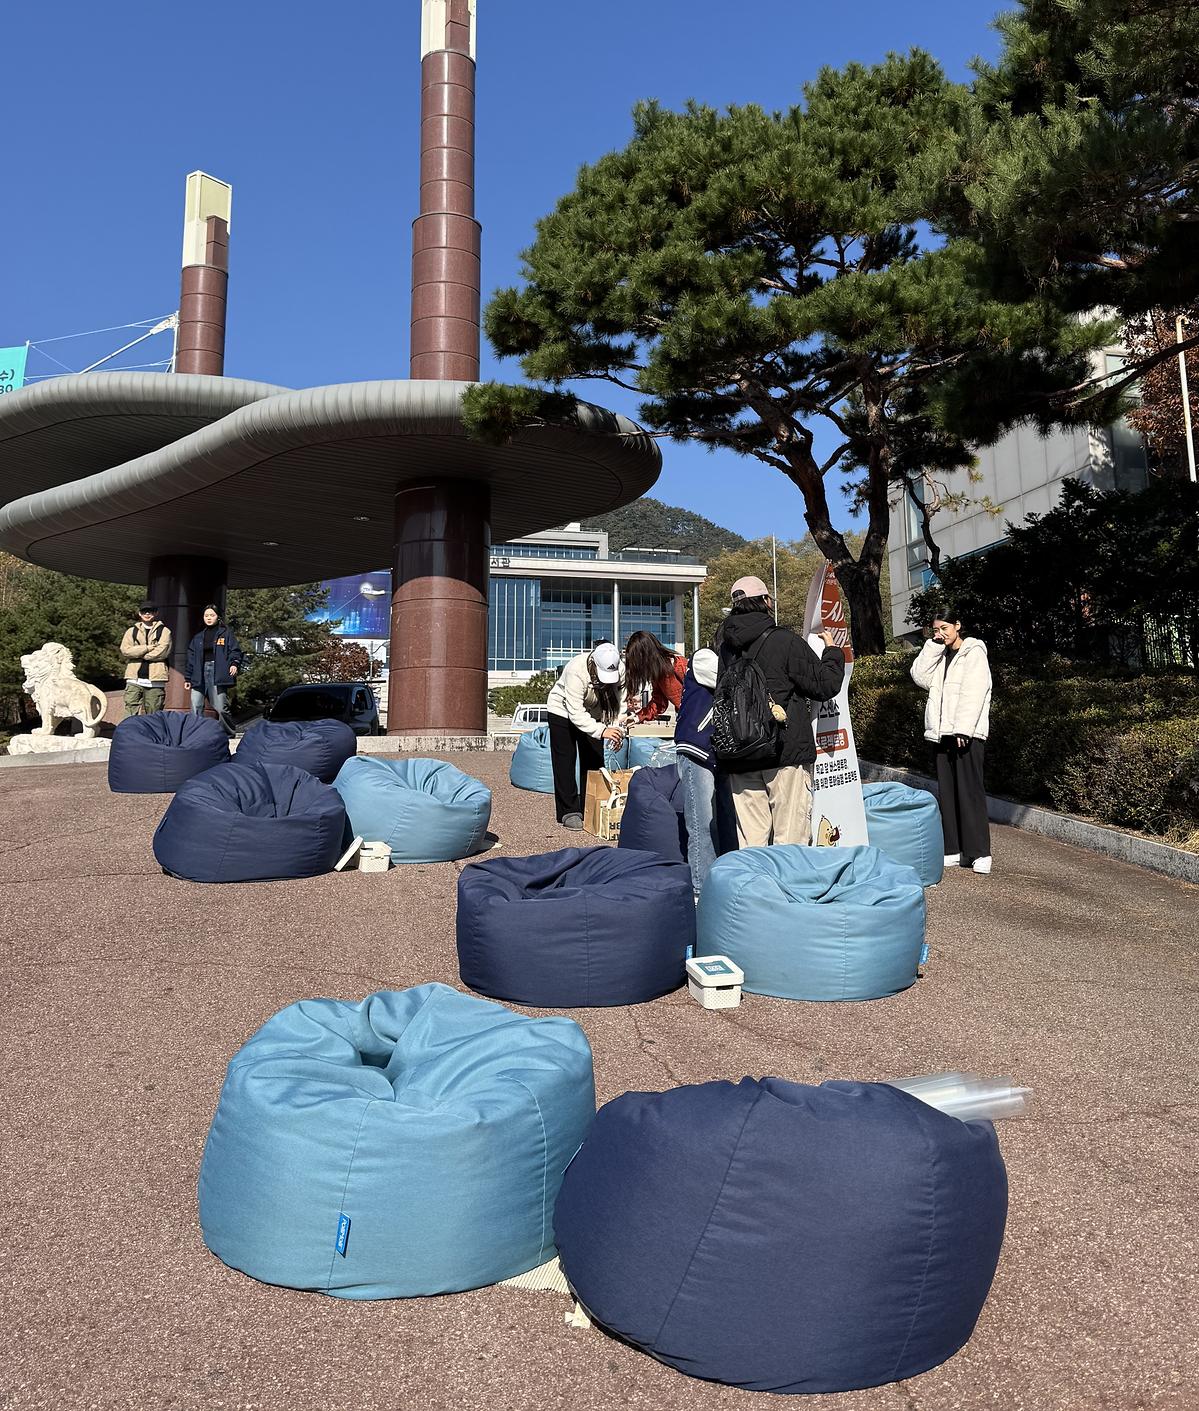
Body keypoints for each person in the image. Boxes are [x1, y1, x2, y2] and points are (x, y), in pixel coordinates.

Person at [717, 576, 844, 848]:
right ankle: (787, 879)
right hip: (783, 751)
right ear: (766, 602)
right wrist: (833, 652)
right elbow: (824, 685)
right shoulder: (784, 640)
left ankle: (755, 879)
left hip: (740, 754)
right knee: (790, 840)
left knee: (751, 843)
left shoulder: (726, 648)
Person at [909, 609, 993, 874]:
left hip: (966, 733)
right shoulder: (941, 656)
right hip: (942, 733)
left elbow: (974, 692)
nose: (940, 634)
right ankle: (954, 849)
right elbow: (919, 676)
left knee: (970, 792)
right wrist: (933, 646)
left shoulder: (974, 652)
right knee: (948, 793)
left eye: (944, 628)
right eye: (936, 629)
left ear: (958, 625)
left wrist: (964, 730)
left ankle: (980, 853)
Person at [673, 645, 737, 897]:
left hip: (718, 751)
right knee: (702, 822)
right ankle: (701, 890)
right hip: (696, 747)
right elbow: (730, 683)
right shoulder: (704, 658)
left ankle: (726, 882)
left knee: (726, 819)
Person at [545, 641, 626, 829]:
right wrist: (603, 731)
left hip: (594, 712)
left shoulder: (620, 669)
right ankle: (569, 811)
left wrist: (617, 730)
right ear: (594, 664)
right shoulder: (576, 670)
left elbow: (621, 703)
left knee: (595, 760)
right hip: (563, 711)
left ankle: (591, 805)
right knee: (565, 760)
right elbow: (576, 713)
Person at [185, 605, 245, 737]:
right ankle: (196, 733)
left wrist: (234, 664)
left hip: (217, 671)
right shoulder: (198, 637)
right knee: (195, 705)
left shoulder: (226, 634)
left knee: (220, 706)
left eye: (212, 615)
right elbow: (191, 658)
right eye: (206, 615)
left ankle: (228, 733)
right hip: (199, 672)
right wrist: (188, 678)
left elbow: (235, 651)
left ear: (218, 617)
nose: (209, 618)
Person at [120, 601, 172, 717]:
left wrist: (138, 654)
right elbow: (125, 650)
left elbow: (162, 652)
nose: (147, 614)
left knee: (154, 716)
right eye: (144, 611)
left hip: (156, 681)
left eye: (150, 611)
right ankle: (129, 730)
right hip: (134, 679)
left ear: (156, 613)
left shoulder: (164, 631)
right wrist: (147, 648)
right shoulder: (131, 631)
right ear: (139, 613)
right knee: (130, 713)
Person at [624, 630, 688, 723]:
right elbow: (658, 703)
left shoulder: (679, 665)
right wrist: (636, 718)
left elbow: (700, 694)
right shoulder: (657, 674)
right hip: (685, 718)